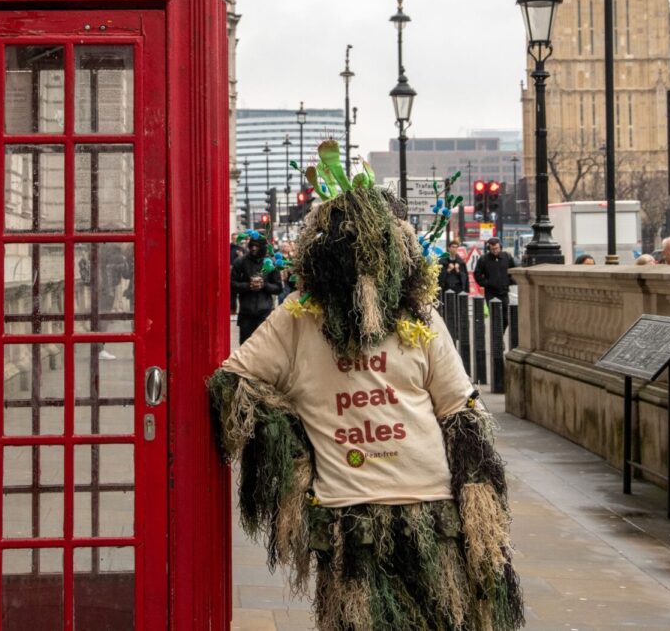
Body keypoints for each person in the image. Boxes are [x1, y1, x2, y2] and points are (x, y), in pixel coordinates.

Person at [208, 140, 524, 631]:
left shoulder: (419, 317)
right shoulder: (297, 320)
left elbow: (459, 412)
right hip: (348, 523)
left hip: (432, 513)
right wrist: (292, 456)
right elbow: (232, 385)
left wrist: (480, 510)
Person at [230, 234, 282, 343]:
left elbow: (278, 288)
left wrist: (264, 285)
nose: (254, 248)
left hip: (264, 313)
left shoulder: (271, 263)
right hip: (246, 314)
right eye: (252, 245)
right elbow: (232, 284)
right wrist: (248, 286)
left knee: (264, 348)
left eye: (257, 246)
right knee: (245, 349)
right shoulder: (240, 262)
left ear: (262, 247)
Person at [474, 236, 518, 327]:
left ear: (500, 247)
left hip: (504, 291)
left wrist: (509, 281)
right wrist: (486, 283)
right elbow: (477, 274)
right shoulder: (484, 259)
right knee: (495, 317)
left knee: (505, 318)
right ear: (489, 248)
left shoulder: (507, 256)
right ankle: (497, 340)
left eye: (496, 248)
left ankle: (499, 337)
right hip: (491, 292)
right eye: (492, 249)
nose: (495, 250)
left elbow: (514, 270)